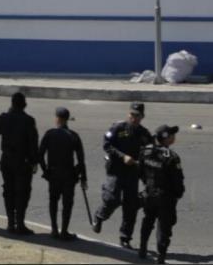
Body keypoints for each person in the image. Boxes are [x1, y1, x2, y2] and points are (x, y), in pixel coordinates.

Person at [92, 102, 153, 249]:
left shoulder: (144, 134)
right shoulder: (118, 128)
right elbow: (107, 145)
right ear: (128, 114)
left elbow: (151, 151)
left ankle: (125, 237)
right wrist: (122, 156)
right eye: (132, 114)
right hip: (116, 170)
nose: (134, 118)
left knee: (131, 206)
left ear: (142, 117)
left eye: (137, 115)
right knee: (113, 199)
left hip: (133, 173)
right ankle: (100, 216)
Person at [138, 125, 185, 264]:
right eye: (171, 135)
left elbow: (140, 172)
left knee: (148, 220)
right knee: (164, 226)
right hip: (166, 197)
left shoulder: (145, 151)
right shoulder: (171, 156)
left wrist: (148, 185)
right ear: (166, 138)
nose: (174, 137)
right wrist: (178, 193)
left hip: (149, 193)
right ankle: (161, 256)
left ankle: (142, 249)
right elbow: (177, 180)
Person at [38, 107, 87, 241]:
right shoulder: (73, 136)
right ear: (66, 119)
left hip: (53, 174)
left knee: (53, 201)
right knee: (67, 204)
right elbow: (81, 159)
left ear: (57, 119)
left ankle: (54, 229)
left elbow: (40, 155)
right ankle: (64, 231)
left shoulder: (49, 134)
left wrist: (45, 171)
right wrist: (83, 178)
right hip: (69, 175)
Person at [0, 92, 38, 234]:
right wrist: (34, 162)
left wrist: (7, 115)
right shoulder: (28, 120)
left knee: (8, 191)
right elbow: (33, 143)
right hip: (22, 161)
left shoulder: (4, 117)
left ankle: (10, 223)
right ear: (24, 105)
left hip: (6, 160)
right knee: (22, 192)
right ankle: (20, 223)